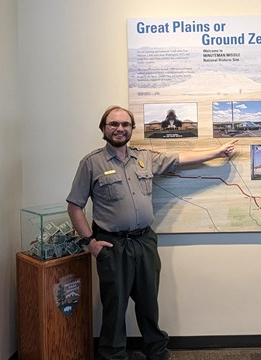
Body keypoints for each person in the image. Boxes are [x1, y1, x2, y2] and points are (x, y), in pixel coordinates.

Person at [66, 105, 237, 360]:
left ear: (132, 129)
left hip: (144, 241)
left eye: (125, 124)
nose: (119, 128)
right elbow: (74, 205)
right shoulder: (91, 163)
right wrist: (90, 243)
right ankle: (113, 355)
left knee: (148, 303)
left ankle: (156, 351)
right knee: (115, 305)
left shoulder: (145, 158)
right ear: (103, 128)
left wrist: (217, 152)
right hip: (112, 245)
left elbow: (180, 159)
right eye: (113, 124)